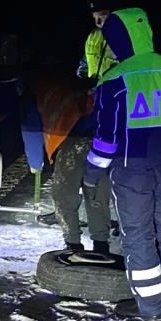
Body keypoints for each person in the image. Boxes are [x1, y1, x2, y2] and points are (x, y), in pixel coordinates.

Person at [82, 7, 161, 321]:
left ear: (118, 40)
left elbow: (106, 142)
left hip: (131, 171)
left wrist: (92, 176)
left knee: (137, 235)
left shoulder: (114, 80)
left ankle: (149, 307)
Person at [18, 63, 114, 255]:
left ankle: (73, 245)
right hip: (99, 142)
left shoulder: (33, 93)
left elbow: (30, 127)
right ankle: (101, 246)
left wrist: (35, 163)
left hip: (70, 142)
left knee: (64, 195)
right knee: (96, 194)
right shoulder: (71, 83)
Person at [76, 0, 119, 81]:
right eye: (94, 17)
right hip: (94, 94)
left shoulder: (125, 38)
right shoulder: (93, 36)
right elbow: (85, 63)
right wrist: (81, 79)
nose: (98, 22)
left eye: (102, 16)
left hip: (116, 93)